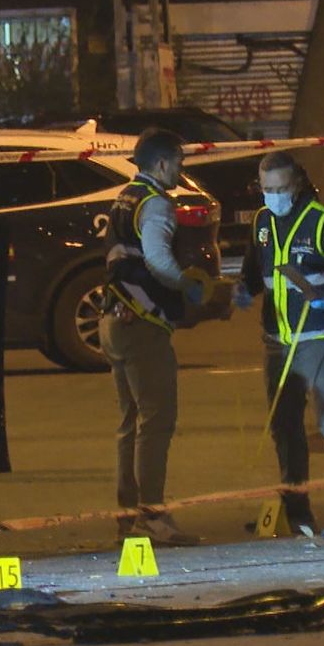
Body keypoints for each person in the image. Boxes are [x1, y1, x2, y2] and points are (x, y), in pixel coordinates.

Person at [235, 151, 324, 540]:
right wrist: (244, 290)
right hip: (278, 341)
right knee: (285, 426)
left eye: (281, 188)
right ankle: (296, 511)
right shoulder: (263, 223)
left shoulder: (323, 224)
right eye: (267, 189)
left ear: (297, 184)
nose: (274, 196)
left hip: (318, 338)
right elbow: (254, 269)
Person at [99, 128, 206, 546]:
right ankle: (153, 515)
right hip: (142, 325)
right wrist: (186, 284)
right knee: (157, 422)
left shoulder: (126, 196)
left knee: (130, 422)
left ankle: (127, 514)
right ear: (161, 163)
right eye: (178, 161)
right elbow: (159, 261)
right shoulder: (157, 203)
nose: (181, 168)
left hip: (115, 319)